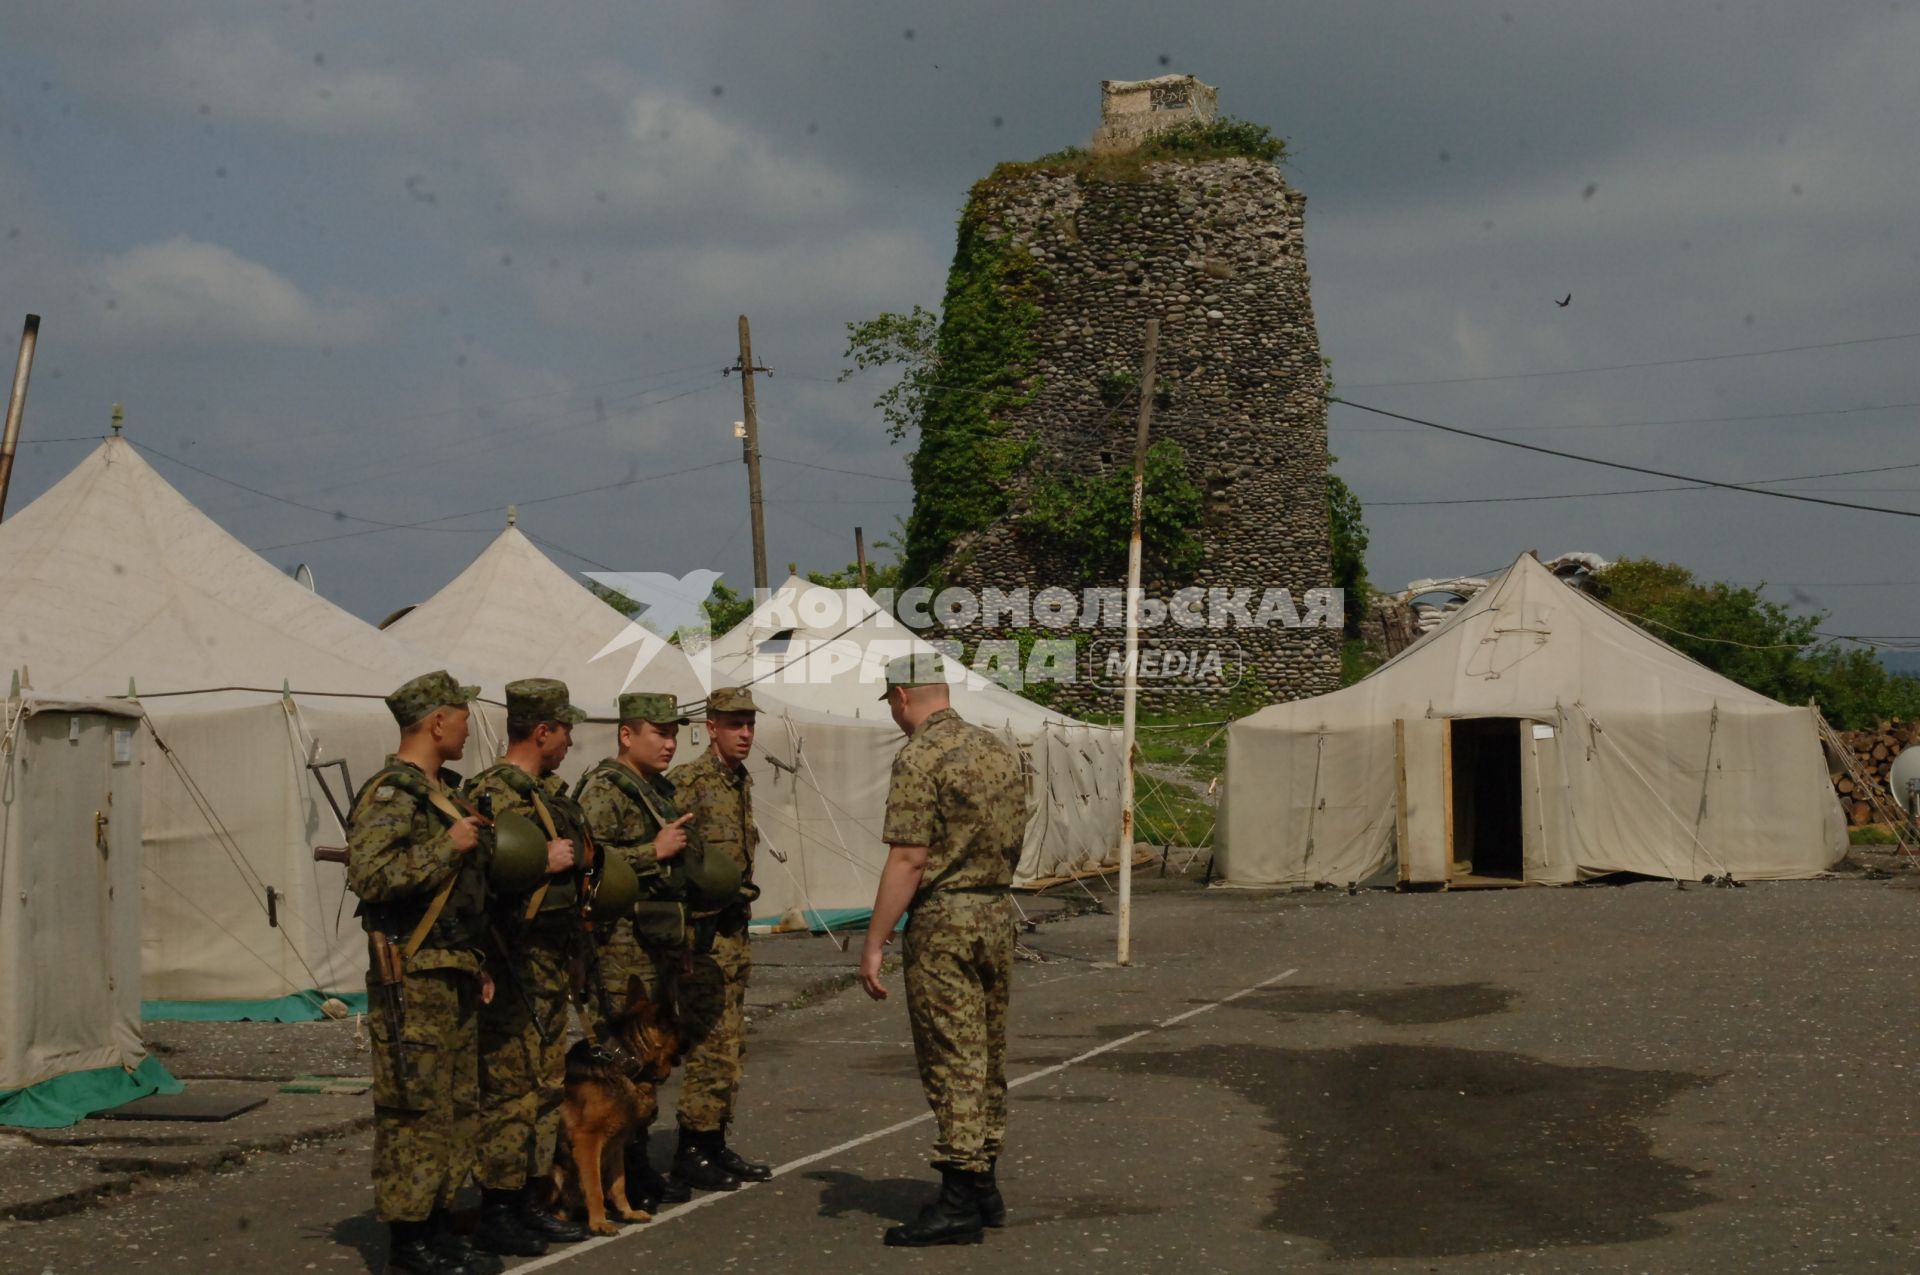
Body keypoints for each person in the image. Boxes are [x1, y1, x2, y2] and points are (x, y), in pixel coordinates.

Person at [859, 654, 1028, 1247]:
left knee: (952, 1057)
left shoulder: (919, 756)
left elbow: (909, 856)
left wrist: (874, 942)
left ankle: (958, 1196)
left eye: (893, 706)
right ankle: (983, 1183)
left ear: (901, 698)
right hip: (995, 911)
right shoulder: (1001, 748)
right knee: (987, 1054)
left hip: (946, 920)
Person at [346, 670, 499, 1275]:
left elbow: (464, 897)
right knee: (414, 1109)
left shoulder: (446, 792)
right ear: (438, 721)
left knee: (457, 1107)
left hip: (455, 969)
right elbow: (371, 875)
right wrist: (449, 845)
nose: (467, 726)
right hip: (413, 976)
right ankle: (409, 1243)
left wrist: (478, 961)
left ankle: (438, 1225)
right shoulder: (394, 794)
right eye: (463, 715)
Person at [462, 679, 592, 1256]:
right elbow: (476, 881)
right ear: (543, 732)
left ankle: (530, 1200)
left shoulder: (545, 792)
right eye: (565, 730)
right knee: (509, 1090)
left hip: (547, 960)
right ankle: (499, 1205)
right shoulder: (492, 794)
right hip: (511, 959)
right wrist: (543, 860)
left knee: (543, 1085)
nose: (569, 742)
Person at [574, 690, 701, 1213]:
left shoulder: (656, 790)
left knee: (648, 1062)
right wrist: (655, 851)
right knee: (621, 1062)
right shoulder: (604, 789)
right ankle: (624, 1169)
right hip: (618, 948)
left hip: (655, 944)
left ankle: (636, 1163)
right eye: (659, 732)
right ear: (627, 734)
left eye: (674, 733)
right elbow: (589, 864)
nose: (670, 743)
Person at [666, 686, 772, 1191]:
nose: (746, 733)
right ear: (711, 728)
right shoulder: (688, 782)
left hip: (734, 932)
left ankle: (713, 1139)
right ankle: (692, 1147)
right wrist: (683, 938)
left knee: (731, 1043)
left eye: (749, 723)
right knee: (708, 1041)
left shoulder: (739, 782)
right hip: (702, 938)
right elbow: (672, 865)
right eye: (734, 724)